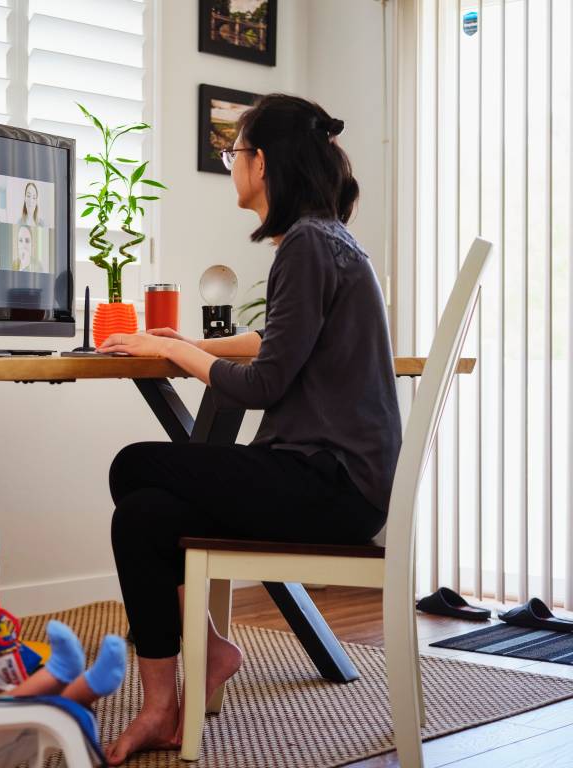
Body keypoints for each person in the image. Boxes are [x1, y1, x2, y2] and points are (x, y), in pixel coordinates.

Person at [97, 93, 402, 764]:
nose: (231, 163)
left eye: (235, 151)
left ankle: (201, 659)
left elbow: (266, 384)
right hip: (339, 482)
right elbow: (278, 342)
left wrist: (175, 352)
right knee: (142, 517)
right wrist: (188, 342)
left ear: (263, 164)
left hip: (329, 483)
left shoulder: (307, 246)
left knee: (133, 466)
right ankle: (167, 702)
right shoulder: (326, 240)